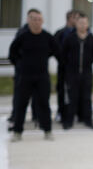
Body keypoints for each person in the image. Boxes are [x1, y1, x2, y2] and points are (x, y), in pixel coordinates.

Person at [9, 9, 58, 141]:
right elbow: (12, 53)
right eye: (34, 19)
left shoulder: (47, 36)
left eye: (39, 19)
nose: (36, 22)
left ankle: (47, 130)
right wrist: (20, 65)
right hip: (25, 77)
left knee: (44, 104)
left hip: (42, 76)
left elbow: (55, 51)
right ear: (28, 20)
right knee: (21, 104)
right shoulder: (22, 36)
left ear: (42, 21)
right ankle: (17, 132)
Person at [60, 14, 93, 129]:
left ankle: (88, 120)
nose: (82, 25)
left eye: (84, 23)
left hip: (87, 73)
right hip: (72, 73)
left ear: (87, 24)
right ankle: (69, 121)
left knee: (87, 98)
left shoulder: (92, 38)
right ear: (76, 24)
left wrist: (88, 62)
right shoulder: (70, 38)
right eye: (80, 23)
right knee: (72, 97)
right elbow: (63, 53)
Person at [53, 10, 80, 121]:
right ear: (69, 19)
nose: (78, 21)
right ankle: (61, 112)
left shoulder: (79, 32)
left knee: (75, 91)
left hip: (76, 68)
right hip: (63, 68)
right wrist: (63, 61)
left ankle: (75, 113)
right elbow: (55, 49)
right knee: (62, 90)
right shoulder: (60, 33)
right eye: (76, 18)